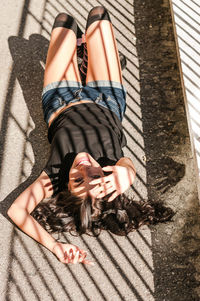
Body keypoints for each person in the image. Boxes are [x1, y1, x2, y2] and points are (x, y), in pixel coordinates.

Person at [7, 7, 173, 265]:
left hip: (61, 98)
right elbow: (125, 165)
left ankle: (84, 59)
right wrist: (127, 173)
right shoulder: (113, 175)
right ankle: (87, 61)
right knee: (98, 15)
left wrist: (56, 247)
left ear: (67, 188)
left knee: (65, 22)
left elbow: (16, 210)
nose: (84, 168)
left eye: (77, 179)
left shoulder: (53, 177)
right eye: (94, 175)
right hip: (106, 96)